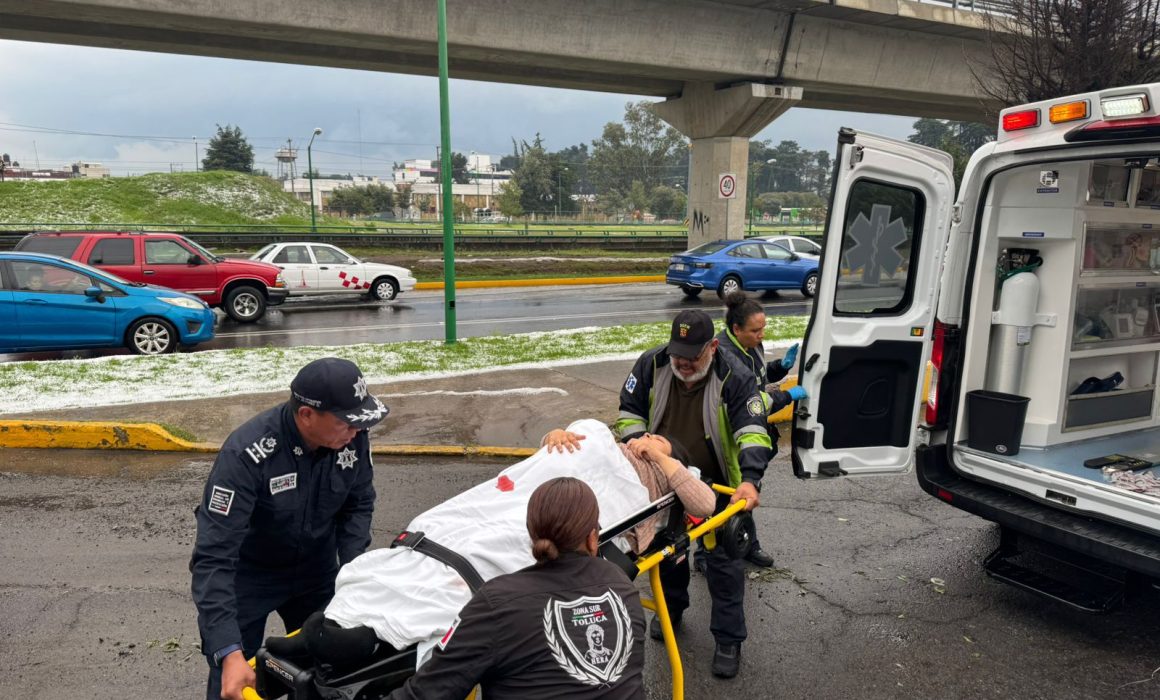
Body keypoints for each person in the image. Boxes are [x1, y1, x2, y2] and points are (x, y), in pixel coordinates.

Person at [275, 420, 710, 677]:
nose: (645, 437)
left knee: (492, 546)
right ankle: (339, 621)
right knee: (446, 527)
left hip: (569, 507)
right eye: (644, 433)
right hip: (530, 486)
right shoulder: (602, 437)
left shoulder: (667, 478)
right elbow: (552, 452)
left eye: (659, 437)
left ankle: (368, 636)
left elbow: (705, 503)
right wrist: (557, 433)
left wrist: (663, 457)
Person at [190, 357, 388, 700]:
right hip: (250, 575)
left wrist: (352, 575)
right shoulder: (246, 455)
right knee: (236, 679)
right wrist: (228, 652)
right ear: (307, 415)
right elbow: (214, 557)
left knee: (330, 668)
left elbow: (357, 505)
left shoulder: (352, 437)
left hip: (317, 569)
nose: (356, 431)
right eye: (346, 422)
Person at [615, 308, 774, 679]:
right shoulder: (652, 364)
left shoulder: (736, 376)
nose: (683, 364)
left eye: (692, 357)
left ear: (713, 347)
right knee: (666, 555)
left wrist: (749, 480)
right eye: (678, 355)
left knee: (723, 565)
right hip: (663, 482)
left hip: (717, 485)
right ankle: (671, 612)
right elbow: (628, 412)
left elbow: (752, 430)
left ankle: (728, 639)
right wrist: (640, 446)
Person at [385, 477, 646, 699]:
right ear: (592, 537)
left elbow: (430, 691)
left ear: (531, 534)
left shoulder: (498, 602)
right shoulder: (621, 585)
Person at [714, 291, 807, 568]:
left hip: (750, 437)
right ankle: (709, 555)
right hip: (731, 440)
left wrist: (780, 368)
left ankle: (745, 543)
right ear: (736, 329)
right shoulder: (724, 358)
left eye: (764, 328)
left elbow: (758, 378)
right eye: (756, 330)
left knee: (745, 492)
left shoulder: (749, 345)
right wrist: (787, 396)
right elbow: (755, 402)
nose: (762, 335)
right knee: (725, 498)